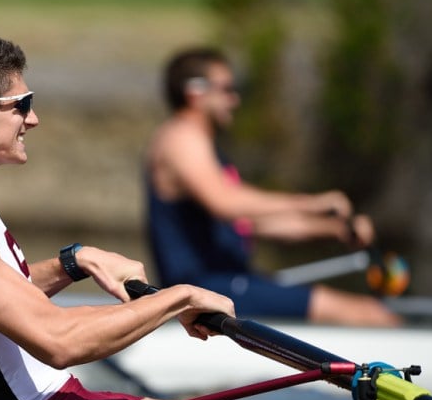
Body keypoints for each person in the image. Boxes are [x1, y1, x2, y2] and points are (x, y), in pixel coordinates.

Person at [0, 31, 350, 400]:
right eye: (22, 103)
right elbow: (58, 342)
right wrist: (179, 297)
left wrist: (73, 261)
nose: (34, 119)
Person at [145, 47, 401, 327]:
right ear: (195, 93)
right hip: (203, 290)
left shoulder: (204, 149)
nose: (235, 99)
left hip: (229, 283)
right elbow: (225, 203)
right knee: (374, 316)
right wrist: (311, 203)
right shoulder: (182, 139)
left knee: (371, 310)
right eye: (227, 89)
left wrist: (334, 229)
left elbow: (251, 223)